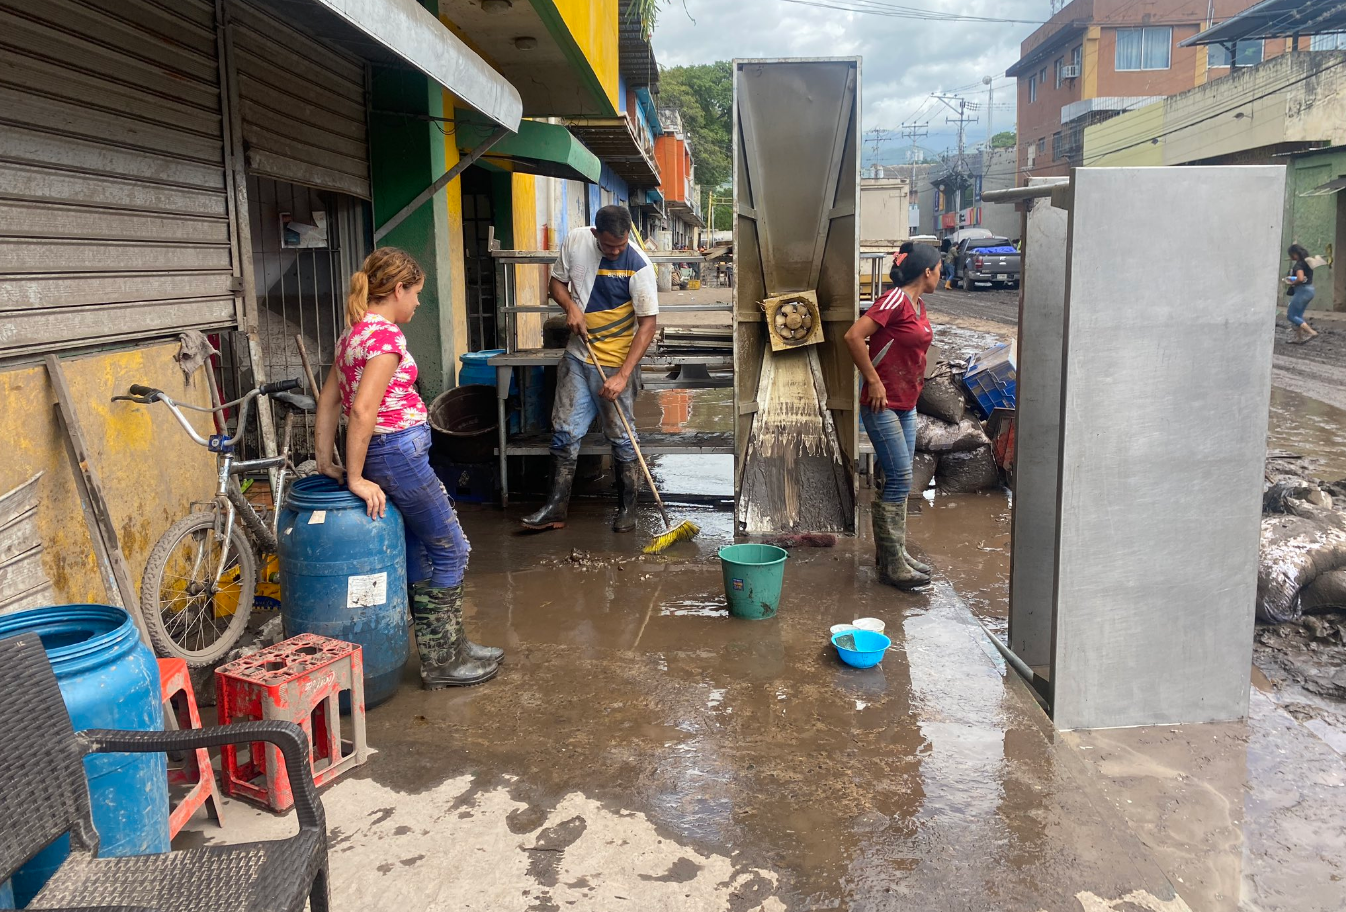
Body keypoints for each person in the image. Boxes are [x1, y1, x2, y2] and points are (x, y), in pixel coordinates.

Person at [315, 247, 503, 689]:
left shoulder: (352, 336)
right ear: (397, 290)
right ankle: (443, 659)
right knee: (451, 547)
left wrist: (327, 459)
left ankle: (451, 644)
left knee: (421, 549)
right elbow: (362, 410)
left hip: (389, 452)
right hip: (396, 452)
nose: (418, 302)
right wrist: (356, 476)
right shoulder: (385, 338)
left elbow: (328, 400)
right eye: (416, 293)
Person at [522, 205, 659, 533]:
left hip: (615, 362)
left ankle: (628, 509)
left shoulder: (638, 266)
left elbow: (648, 325)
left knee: (622, 437)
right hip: (577, 356)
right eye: (610, 245)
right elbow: (556, 285)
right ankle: (555, 509)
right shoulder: (575, 241)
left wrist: (623, 375)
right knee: (565, 432)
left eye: (621, 245)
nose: (615, 251)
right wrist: (570, 306)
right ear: (596, 233)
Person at [844, 243, 941, 590]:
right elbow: (854, 336)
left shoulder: (918, 304)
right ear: (927, 271)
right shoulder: (894, 300)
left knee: (898, 476)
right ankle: (891, 565)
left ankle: (894, 553)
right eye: (939, 268)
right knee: (900, 476)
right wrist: (873, 381)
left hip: (907, 402)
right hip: (881, 403)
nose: (941, 274)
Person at [1286, 244, 1318, 344]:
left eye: (1291, 254)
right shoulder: (1307, 263)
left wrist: (1291, 282)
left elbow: (1300, 278)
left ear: (1295, 254)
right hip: (1310, 290)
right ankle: (1299, 338)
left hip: (1302, 291)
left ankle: (1311, 332)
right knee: (1298, 315)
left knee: (1291, 315)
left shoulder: (1299, 265)